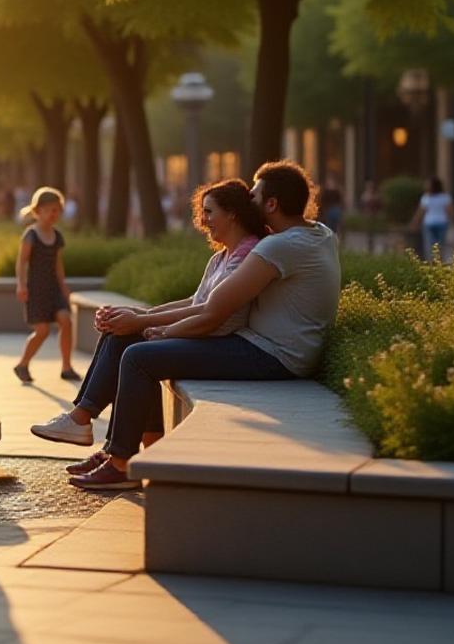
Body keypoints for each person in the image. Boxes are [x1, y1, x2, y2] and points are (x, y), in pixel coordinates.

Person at [62, 161, 342, 490]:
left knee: (140, 357)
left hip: (272, 355)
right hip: (266, 347)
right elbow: (204, 303)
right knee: (135, 346)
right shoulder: (319, 234)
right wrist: (146, 322)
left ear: (272, 204)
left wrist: (159, 330)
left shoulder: (278, 246)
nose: (246, 197)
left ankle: (122, 463)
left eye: (253, 193)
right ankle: (122, 450)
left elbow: (213, 310)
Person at [31, 180, 268, 465]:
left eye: (209, 212)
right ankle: (98, 434)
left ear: (232, 213)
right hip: (203, 331)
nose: (203, 221)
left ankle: (100, 437)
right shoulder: (222, 257)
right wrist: (139, 315)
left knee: (132, 349)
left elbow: (209, 311)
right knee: (118, 334)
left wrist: (146, 322)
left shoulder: (248, 256)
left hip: (214, 337)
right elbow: (194, 301)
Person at [12, 187, 76, 384]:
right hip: (36, 289)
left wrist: (63, 286)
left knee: (66, 320)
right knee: (43, 331)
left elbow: (58, 264)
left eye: (57, 210)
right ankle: (22, 364)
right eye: (50, 210)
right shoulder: (30, 235)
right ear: (38, 211)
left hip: (53, 288)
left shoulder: (57, 236)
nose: (54, 214)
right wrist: (21, 285)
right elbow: (22, 262)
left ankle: (66, 367)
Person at [412, 177, 454, 262]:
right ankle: (438, 262)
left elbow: (421, 212)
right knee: (440, 245)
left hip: (429, 223)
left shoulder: (426, 197)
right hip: (441, 222)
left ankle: (432, 262)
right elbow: (450, 211)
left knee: (430, 245)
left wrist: (415, 222)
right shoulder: (445, 197)